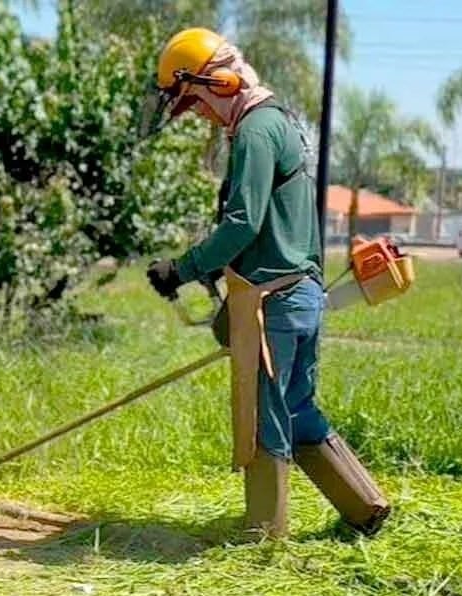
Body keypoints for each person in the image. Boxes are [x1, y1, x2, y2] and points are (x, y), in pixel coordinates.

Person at [144, 28, 390, 538]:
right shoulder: (279, 122)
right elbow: (270, 225)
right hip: (300, 293)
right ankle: (365, 508)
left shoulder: (255, 130)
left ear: (221, 82)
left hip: (273, 302)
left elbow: (242, 224)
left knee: (262, 420)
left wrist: (182, 268)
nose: (201, 116)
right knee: (297, 409)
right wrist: (216, 270)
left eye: (196, 103)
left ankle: (263, 535)